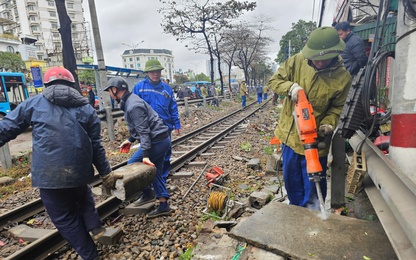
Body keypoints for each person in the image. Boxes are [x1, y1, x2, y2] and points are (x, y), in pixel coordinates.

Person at [0, 67, 123, 260]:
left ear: (46, 84)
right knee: (82, 195)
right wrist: (106, 173)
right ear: (72, 85)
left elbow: (6, 128)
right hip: (80, 171)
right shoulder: (86, 108)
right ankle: (94, 225)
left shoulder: (33, 104)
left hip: (49, 174)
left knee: (64, 218)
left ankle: (89, 254)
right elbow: (96, 147)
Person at [268, 27, 352, 210]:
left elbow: (338, 108)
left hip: (317, 141)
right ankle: (296, 214)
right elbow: (274, 81)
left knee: (313, 184)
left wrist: (328, 124)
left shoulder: (342, 78)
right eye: (315, 58)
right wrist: (290, 88)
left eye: (323, 59)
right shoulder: (297, 61)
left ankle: (313, 218)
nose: (318, 63)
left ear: (335, 53)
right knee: (292, 182)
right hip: (290, 136)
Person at [105, 77, 172, 218]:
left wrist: (146, 156)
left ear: (115, 89)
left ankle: (147, 194)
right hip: (161, 139)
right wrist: (130, 139)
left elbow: (144, 132)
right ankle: (163, 204)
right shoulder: (130, 101)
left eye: (110, 91)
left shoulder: (133, 105)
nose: (110, 94)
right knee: (155, 172)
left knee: (134, 164)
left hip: (156, 142)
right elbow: (142, 125)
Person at [132, 59, 181, 182]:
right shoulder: (139, 88)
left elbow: (173, 107)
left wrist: (177, 124)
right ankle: (148, 181)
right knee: (147, 154)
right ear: (147, 73)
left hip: (165, 127)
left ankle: (162, 179)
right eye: (152, 72)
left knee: (164, 155)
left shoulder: (166, 89)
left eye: (158, 71)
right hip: (147, 129)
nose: (155, 74)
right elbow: (133, 108)